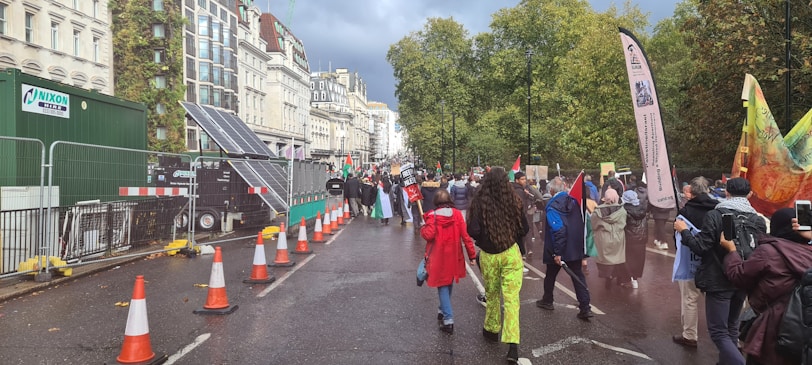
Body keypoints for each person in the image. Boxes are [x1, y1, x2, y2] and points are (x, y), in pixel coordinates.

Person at [674, 177, 767, 365]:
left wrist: (684, 231)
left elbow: (701, 246)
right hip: (743, 277)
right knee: (732, 327)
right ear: (749, 194)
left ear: (726, 192)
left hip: (719, 278)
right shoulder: (757, 219)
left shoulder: (717, 215)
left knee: (718, 332)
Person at [720, 207, 812, 365]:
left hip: (772, 328)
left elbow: (739, 276)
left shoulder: (768, 251)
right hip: (803, 329)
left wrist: (731, 251)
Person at [467, 166, 528, 363]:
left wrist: (486, 238)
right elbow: (524, 228)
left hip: (489, 255)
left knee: (492, 294)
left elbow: (473, 229)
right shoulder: (514, 201)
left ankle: (492, 330)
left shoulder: (479, 203)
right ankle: (512, 346)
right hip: (510, 253)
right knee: (511, 299)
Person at [420, 189, 477, 335]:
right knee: (448, 282)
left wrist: (424, 226)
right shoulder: (457, 214)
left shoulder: (432, 216)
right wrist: (472, 255)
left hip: (438, 257)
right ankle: (442, 309)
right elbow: (466, 236)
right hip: (454, 255)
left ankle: (448, 319)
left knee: (442, 285)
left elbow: (428, 235)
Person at [537, 177, 594, 320]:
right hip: (574, 247)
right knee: (577, 276)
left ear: (551, 190)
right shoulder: (574, 202)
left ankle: (548, 300)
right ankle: (585, 307)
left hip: (557, 248)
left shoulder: (552, 206)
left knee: (550, 275)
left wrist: (557, 252)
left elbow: (559, 230)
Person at [672, 177, 718, 348]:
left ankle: (690, 335)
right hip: (714, 263)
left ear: (690, 191)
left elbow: (676, 237)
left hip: (690, 261)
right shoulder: (718, 209)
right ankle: (727, 337)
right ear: (707, 189)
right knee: (717, 298)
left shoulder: (684, 212)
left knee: (690, 299)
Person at [592, 188, 630, 288]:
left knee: (605, 260)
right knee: (618, 258)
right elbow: (624, 223)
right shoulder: (622, 211)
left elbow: (593, 225)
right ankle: (619, 277)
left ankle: (607, 277)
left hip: (603, 237)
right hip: (618, 237)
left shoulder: (597, 211)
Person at [621, 189, 646, 289]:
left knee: (627, 259)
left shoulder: (623, 210)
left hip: (629, 238)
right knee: (638, 259)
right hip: (641, 238)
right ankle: (635, 279)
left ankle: (627, 278)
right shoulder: (642, 208)